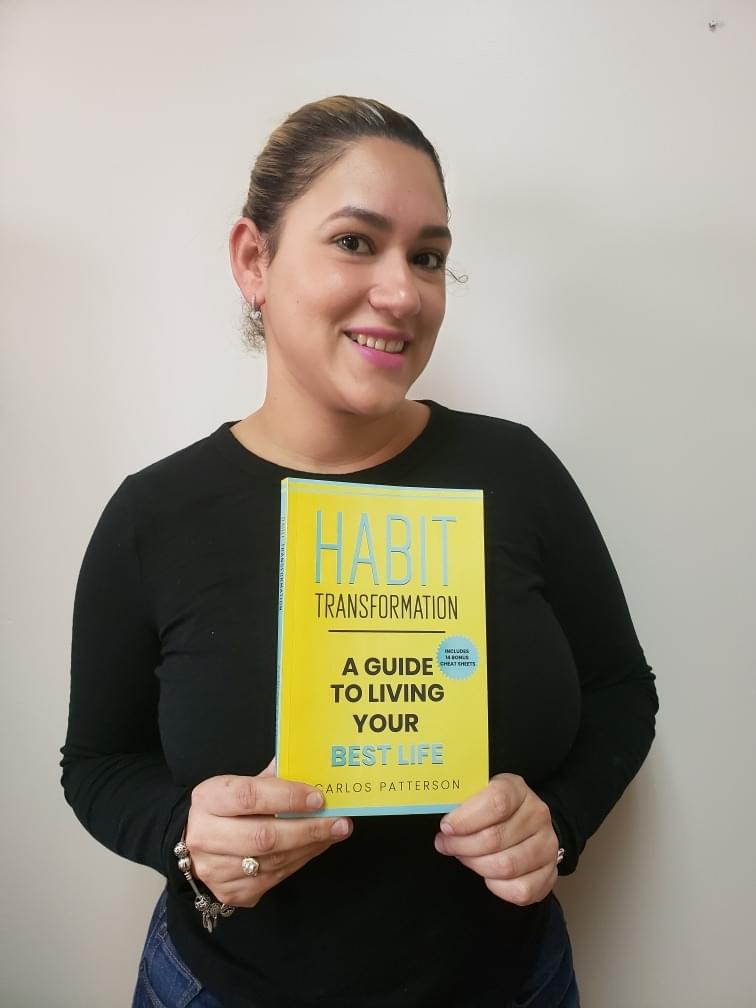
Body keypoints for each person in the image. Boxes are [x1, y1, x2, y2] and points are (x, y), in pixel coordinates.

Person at [61, 96, 658, 1008]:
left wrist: (558, 821)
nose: (403, 292)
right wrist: (185, 835)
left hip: (512, 985)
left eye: (428, 257)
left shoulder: (515, 472)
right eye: (354, 241)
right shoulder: (156, 515)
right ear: (253, 260)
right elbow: (98, 765)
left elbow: (621, 690)